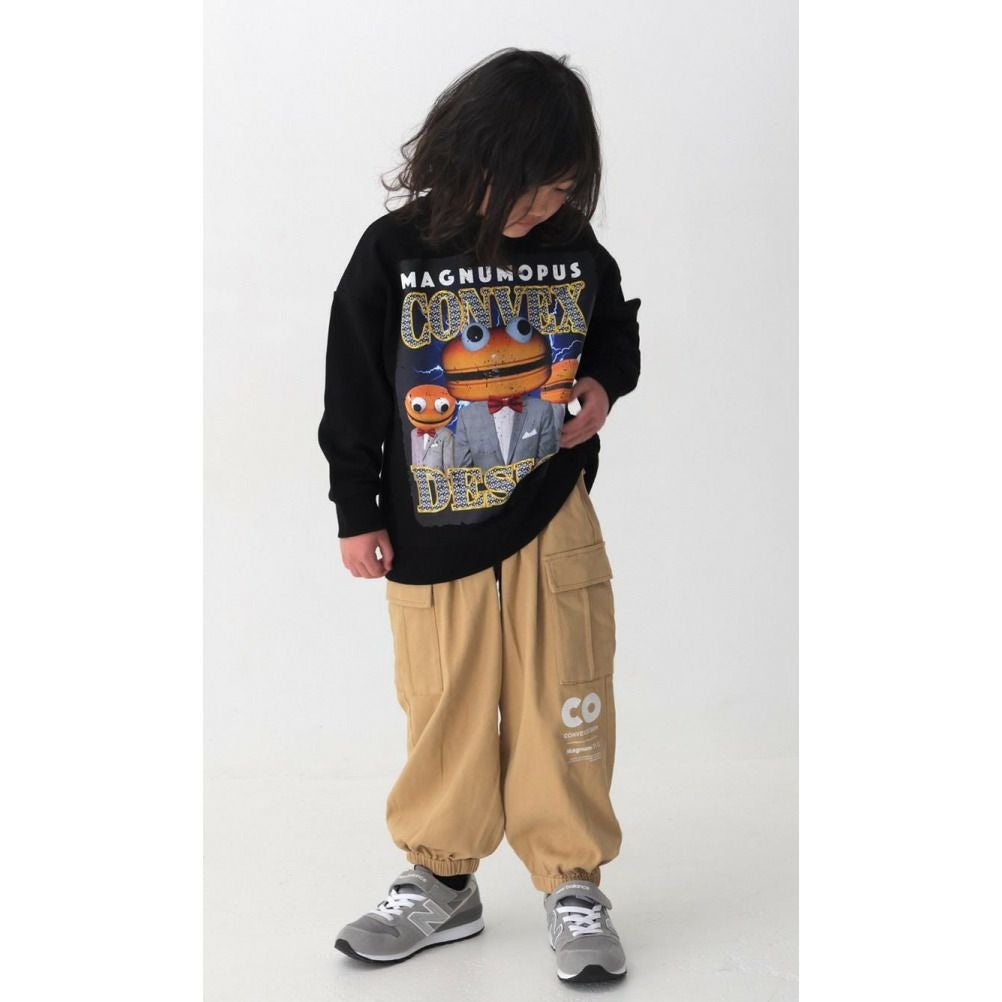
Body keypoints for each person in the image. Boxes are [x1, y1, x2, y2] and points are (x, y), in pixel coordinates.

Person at [318, 47, 642, 984]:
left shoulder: (574, 245)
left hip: (552, 513)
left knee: (565, 698)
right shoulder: (394, 252)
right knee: (444, 706)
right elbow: (353, 390)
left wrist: (600, 386)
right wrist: (355, 510)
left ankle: (572, 882)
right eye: (525, 190)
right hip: (431, 530)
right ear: (469, 158)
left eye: (561, 191)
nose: (541, 209)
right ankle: (441, 879)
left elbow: (615, 328)